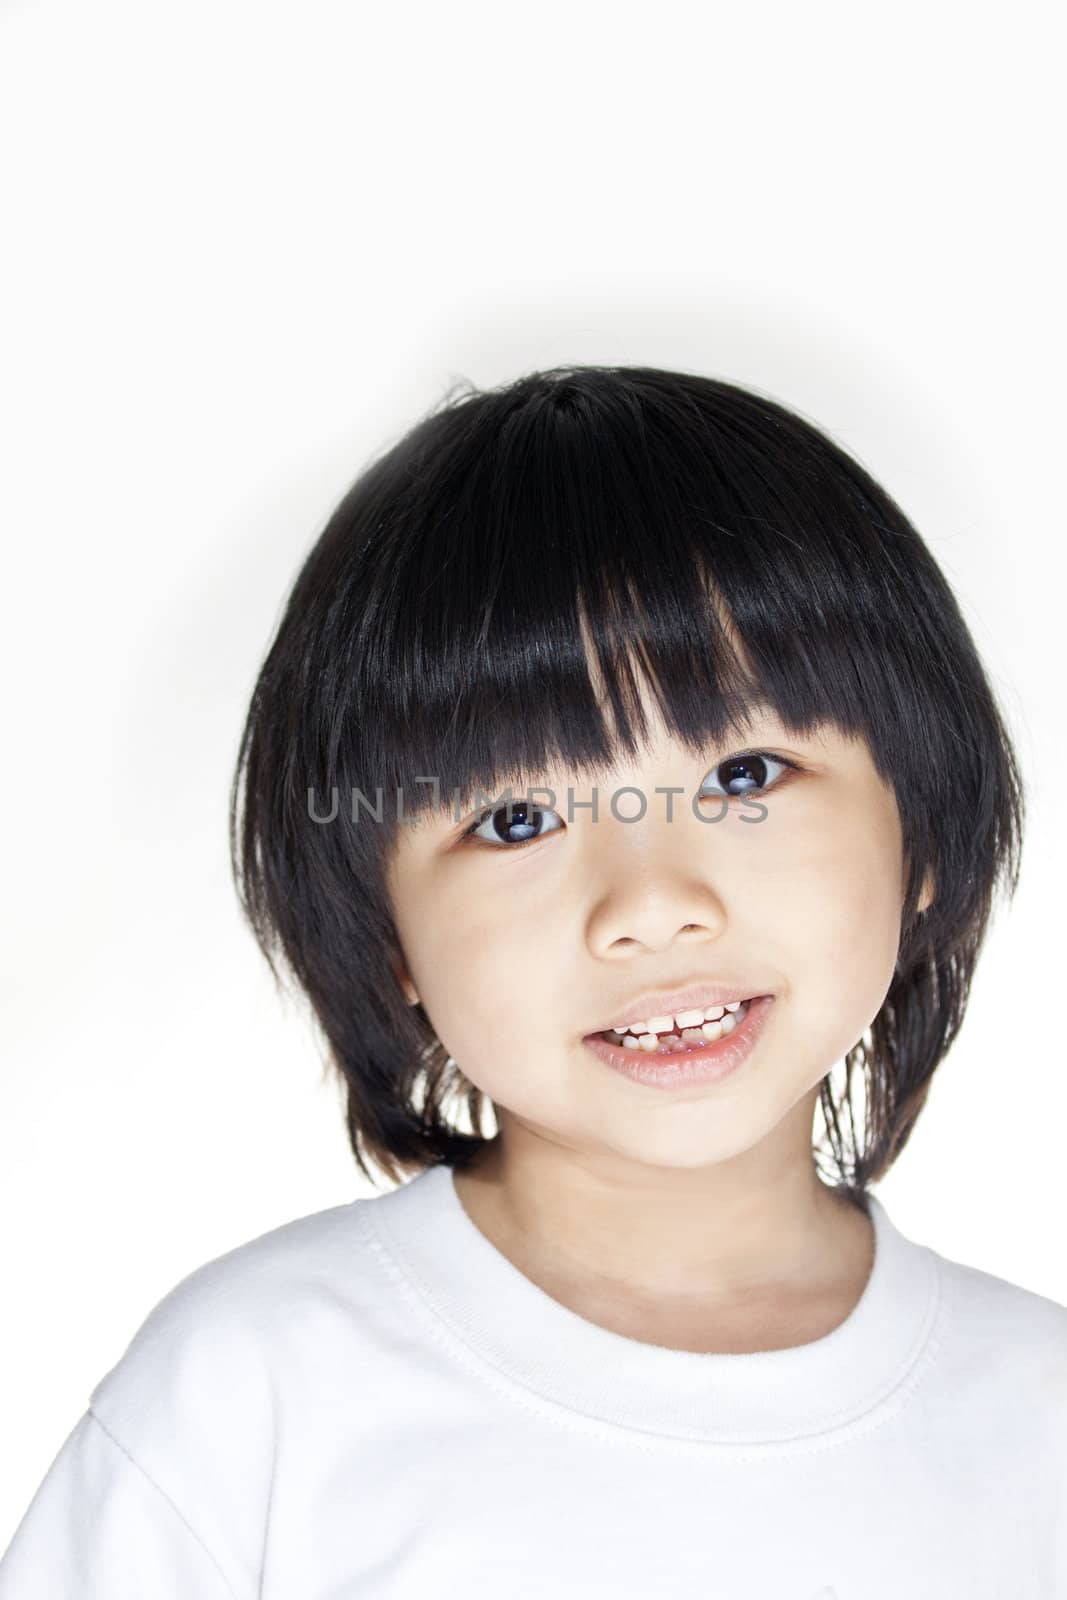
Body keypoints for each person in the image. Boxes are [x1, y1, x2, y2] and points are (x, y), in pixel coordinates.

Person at [2, 365, 1064, 1598]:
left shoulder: (1036, 1421)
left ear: (918, 837)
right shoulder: (253, 1397)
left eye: (742, 775)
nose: (652, 903)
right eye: (513, 820)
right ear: (388, 934)